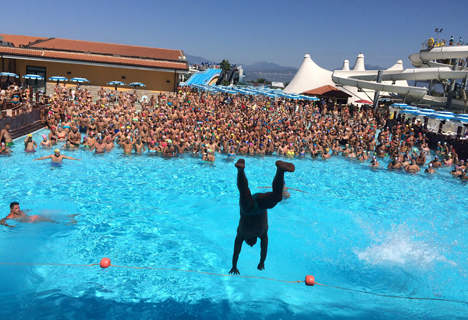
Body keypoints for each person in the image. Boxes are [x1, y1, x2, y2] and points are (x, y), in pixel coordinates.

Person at [229, 159, 295, 275]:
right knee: (277, 197)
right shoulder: (260, 234)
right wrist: (261, 262)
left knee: (245, 193)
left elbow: (238, 252)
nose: (251, 245)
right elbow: (260, 250)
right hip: (260, 206)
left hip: (248, 211)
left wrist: (235, 266)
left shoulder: (242, 235)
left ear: (249, 242)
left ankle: (240, 170)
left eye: (250, 245)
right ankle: (280, 171)